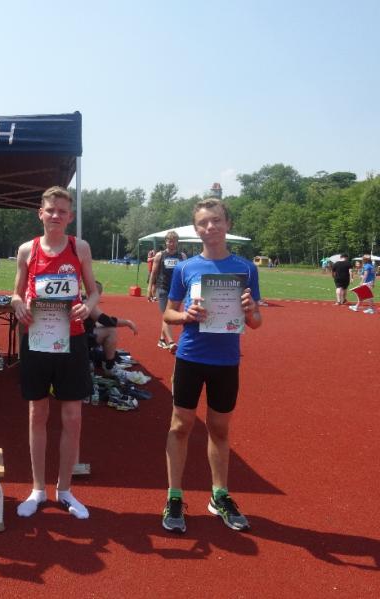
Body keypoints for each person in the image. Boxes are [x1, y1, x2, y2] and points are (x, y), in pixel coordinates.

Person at [161, 197, 262, 534]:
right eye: (203, 222)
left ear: (227, 224)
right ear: (196, 229)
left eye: (216, 220)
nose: (210, 227)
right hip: (190, 357)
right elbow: (168, 313)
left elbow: (256, 321)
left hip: (226, 361)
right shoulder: (186, 268)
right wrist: (185, 316)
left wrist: (250, 311)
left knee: (219, 429)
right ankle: (175, 496)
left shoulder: (246, 269)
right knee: (180, 426)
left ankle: (219, 495)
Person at [12, 186, 99, 520]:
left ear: (70, 217)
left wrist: (87, 306)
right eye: (50, 210)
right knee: (37, 414)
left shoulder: (80, 248)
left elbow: (93, 292)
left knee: (72, 417)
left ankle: (65, 490)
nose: (56, 216)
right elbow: (16, 294)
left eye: (62, 211)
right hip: (37, 340)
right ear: (40, 213)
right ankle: (37, 489)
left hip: (72, 339)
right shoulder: (27, 250)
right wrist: (18, 305)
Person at [85, 280, 138, 375]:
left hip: (69, 341)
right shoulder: (88, 303)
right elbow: (107, 321)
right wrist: (128, 322)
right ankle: (109, 366)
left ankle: (90, 360)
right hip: (79, 341)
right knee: (111, 331)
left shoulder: (81, 299)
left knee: (99, 327)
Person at [147, 231, 187, 352]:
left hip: (177, 290)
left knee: (172, 315)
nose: (172, 244)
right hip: (163, 288)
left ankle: (162, 339)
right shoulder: (160, 255)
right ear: (166, 242)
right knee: (166, 315)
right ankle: (171, 342)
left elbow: (185, 273)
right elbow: (153, 273)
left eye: (174, 241)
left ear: (177, 242)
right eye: (169, 241)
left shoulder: (182, 256)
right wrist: (150, 289)